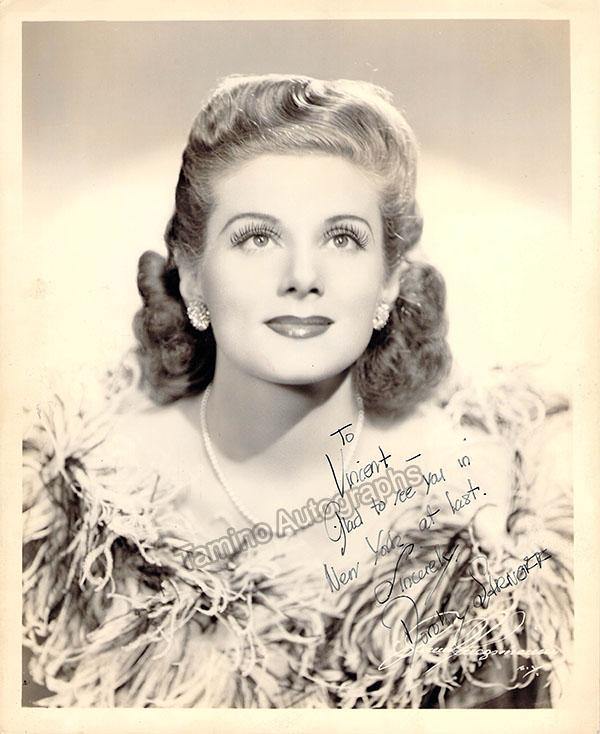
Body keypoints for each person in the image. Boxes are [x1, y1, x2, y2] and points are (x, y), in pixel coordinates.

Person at [22, 74, 572, 708]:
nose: (302, 276)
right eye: (257, 237)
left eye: (342, 238)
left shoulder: (482, 509)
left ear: (390, 281)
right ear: (193, 275)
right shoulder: (75, 511)